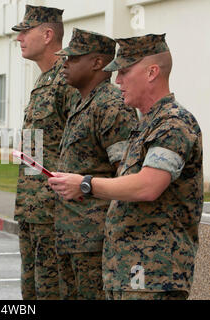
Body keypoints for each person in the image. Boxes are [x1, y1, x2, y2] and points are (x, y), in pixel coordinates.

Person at [49, 34, 203, 300]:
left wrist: (86, 184)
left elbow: (148, 186)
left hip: (153, 273)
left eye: (124, 71)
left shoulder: (173, 123)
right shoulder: (147, 124)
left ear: (152, 72)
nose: (117, 80)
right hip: (127, 269)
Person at [52, 28, 138, 299]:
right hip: (72, 236)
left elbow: (126, 176)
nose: (64, 64)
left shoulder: (112, 106)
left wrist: (85, 186)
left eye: (73, 58)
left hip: (95, 241)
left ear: (98, 63)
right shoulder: (82, 102)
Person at [12, 5, 78, 300]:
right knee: (32, 293)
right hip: (32, 210)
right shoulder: (43, 80)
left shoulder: (67, 82)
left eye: (26, 32)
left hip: (54, 214)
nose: (19, 38)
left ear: (48, 34)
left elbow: (79, 149)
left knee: (51, 293)